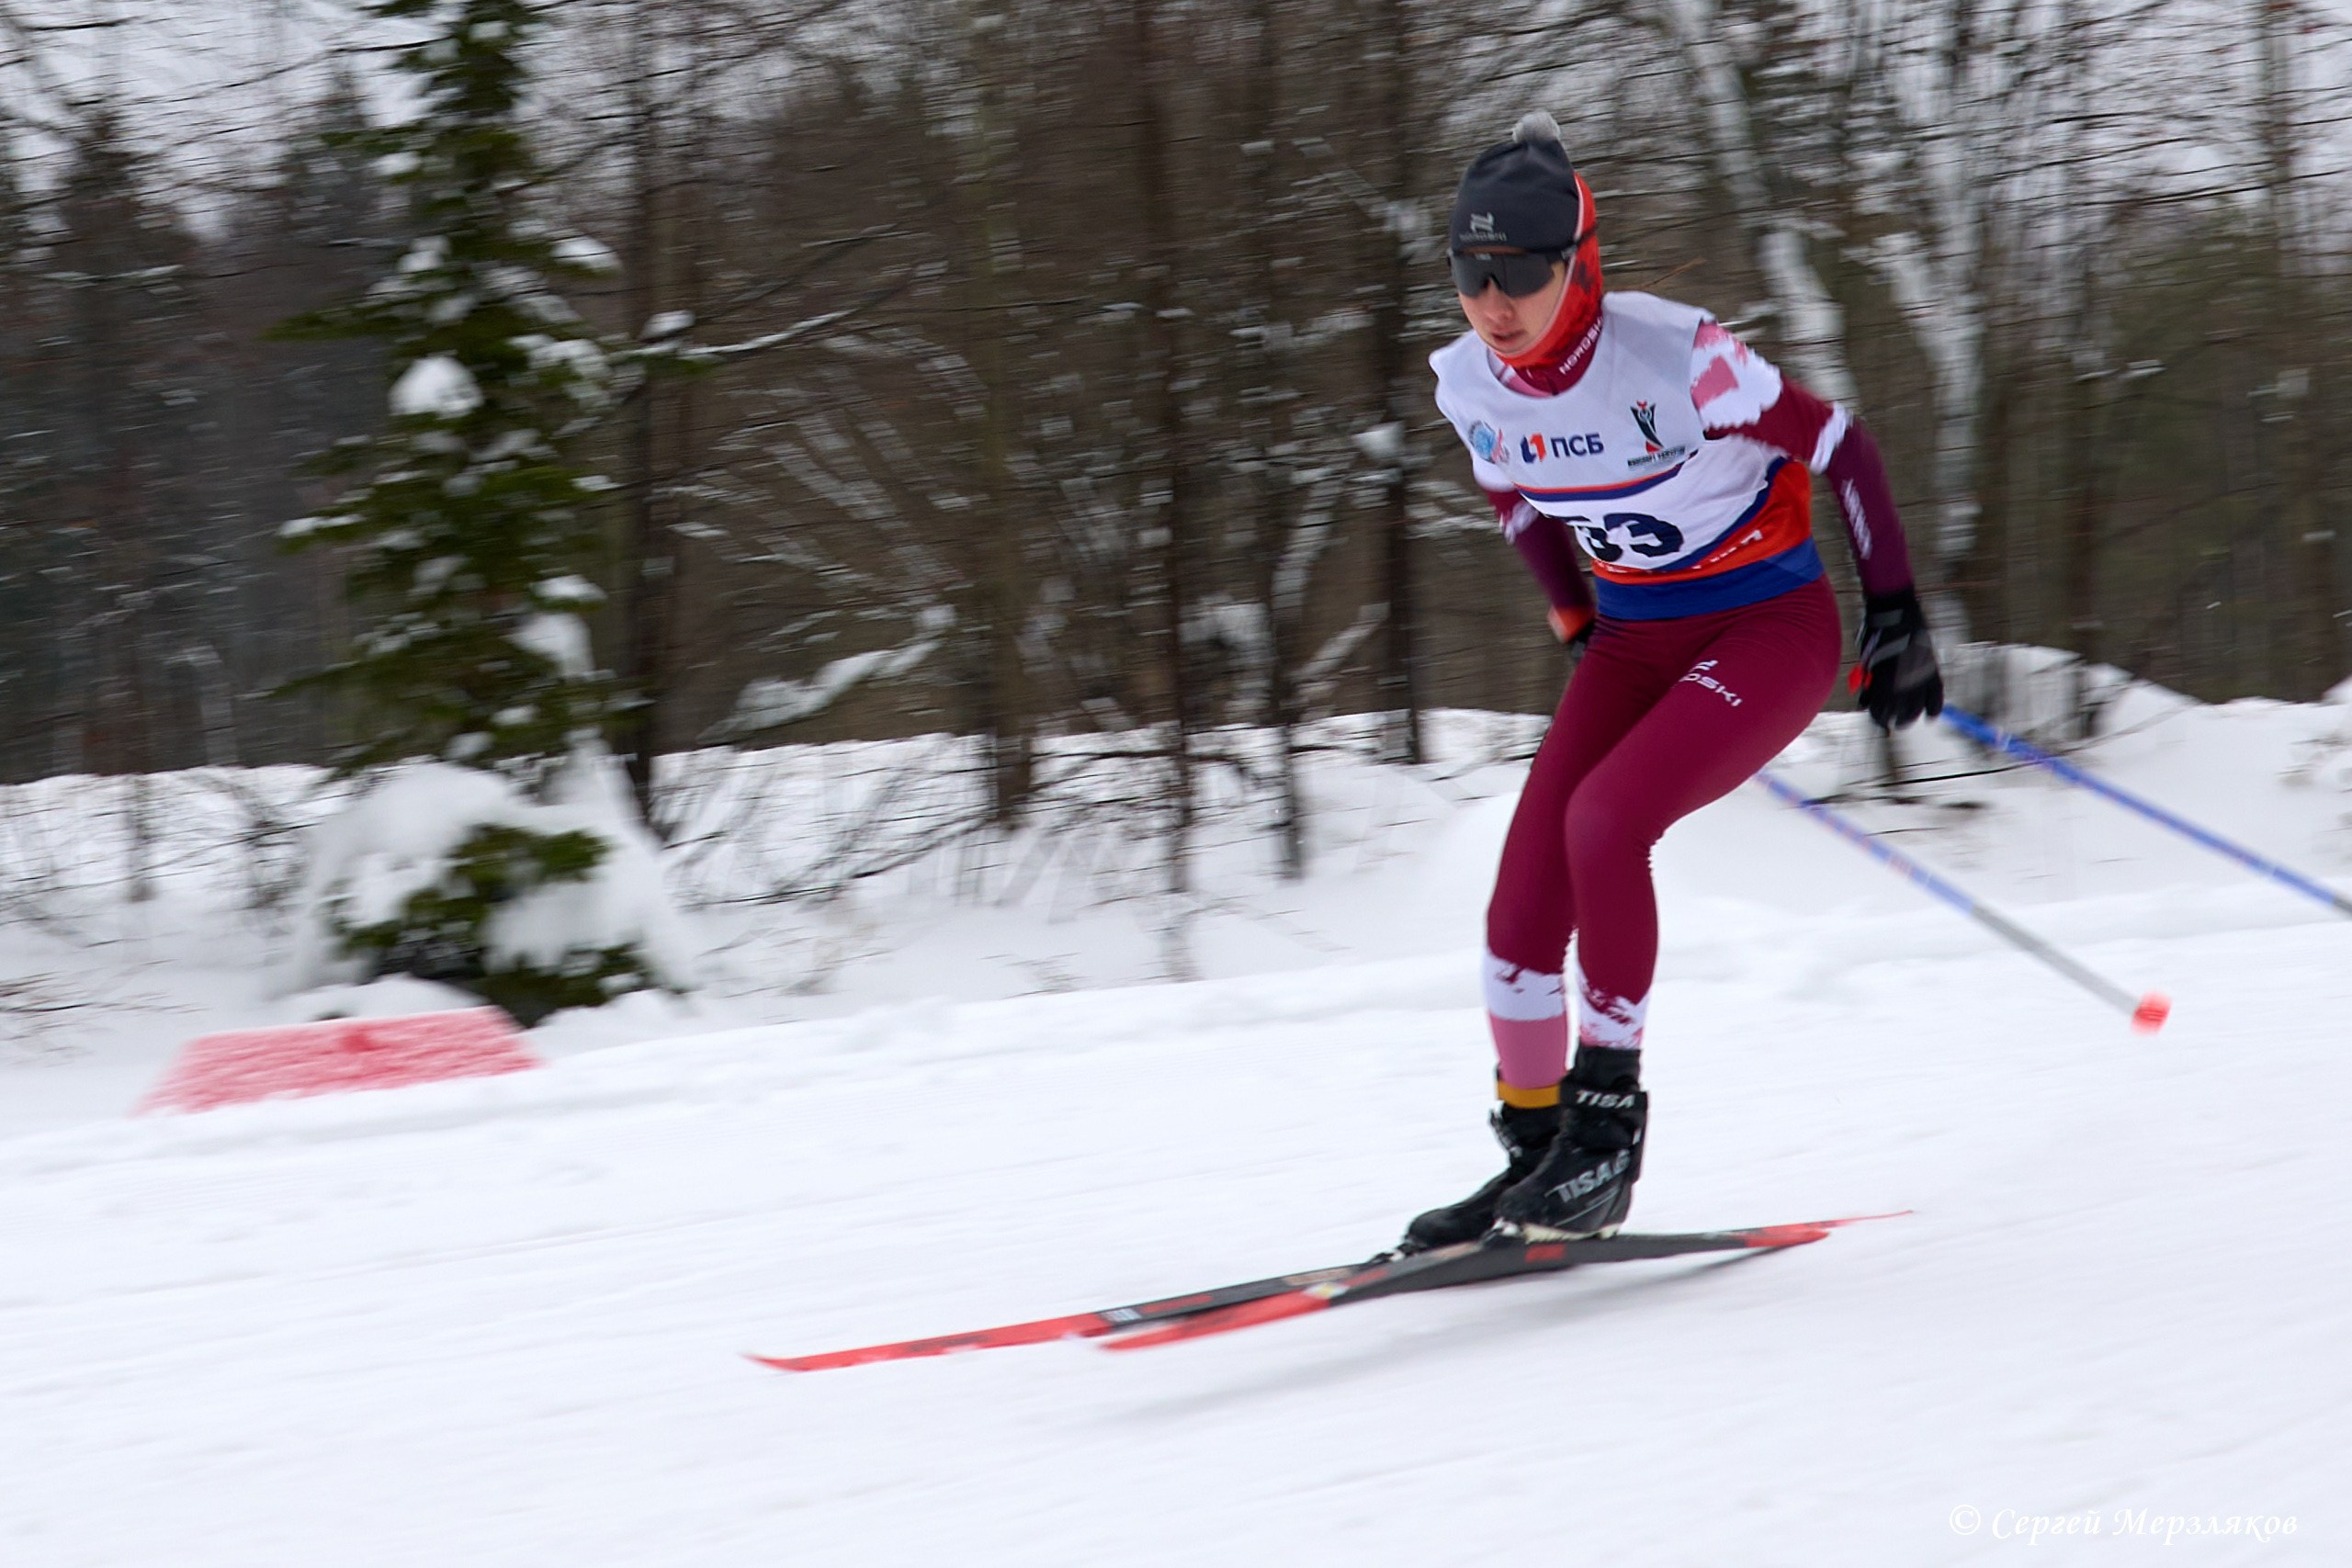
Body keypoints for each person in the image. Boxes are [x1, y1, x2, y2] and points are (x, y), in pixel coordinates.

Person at [1402, 112, 1943, 1251]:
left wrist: (1894, 612)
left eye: (1520, 273)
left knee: (1605, 824)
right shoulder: (1467, 384)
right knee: (1515, 915)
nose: (1492, 302)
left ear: (1578, 266)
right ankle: (1536, 1154)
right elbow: (1513, 497)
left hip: (1766, 628)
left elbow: (1838, 444)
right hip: (1634, 640)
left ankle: (1606, 1134)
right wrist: (1569, 606)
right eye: (1468, 272)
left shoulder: (1678, 357)